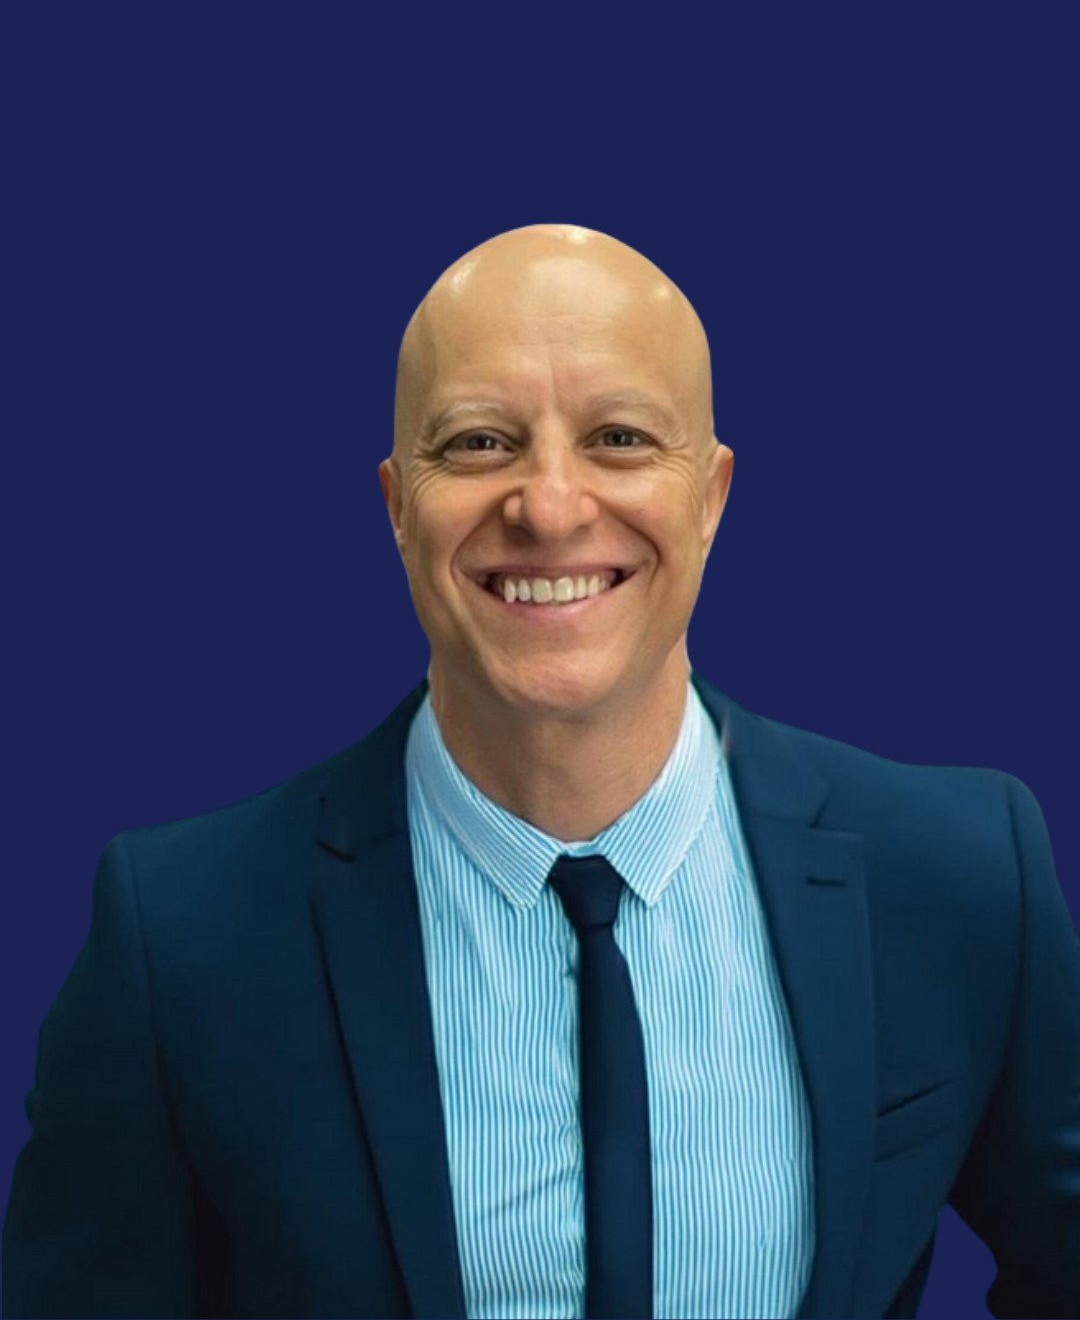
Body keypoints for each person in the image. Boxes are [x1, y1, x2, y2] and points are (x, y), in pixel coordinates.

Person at [3, 225, 1078, 1320]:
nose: (550, 507)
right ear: (395, 506)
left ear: (710, 498)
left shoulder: (960, 881)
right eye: (477, 444)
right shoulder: (178, 937)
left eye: (618, 437)